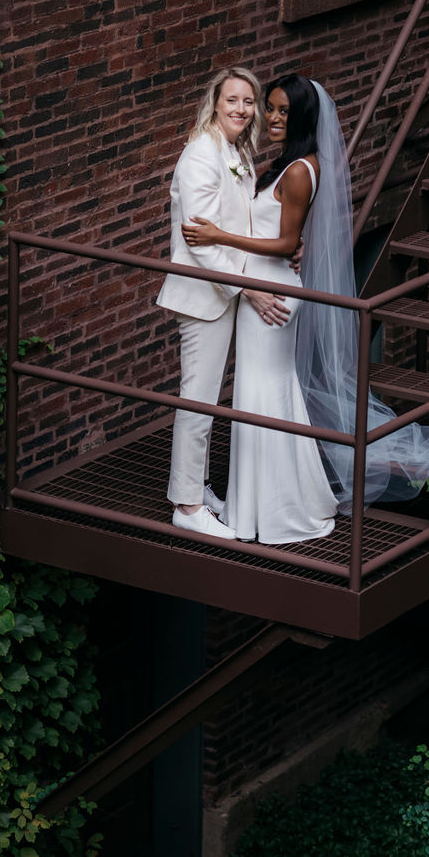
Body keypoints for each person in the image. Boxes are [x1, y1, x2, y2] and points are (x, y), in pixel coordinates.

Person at [183, 76, 429, 544]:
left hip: (272, 291)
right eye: (273, 109)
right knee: (263, 393)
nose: (274, 118)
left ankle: (273, 511)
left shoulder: (301, 170)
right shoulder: (286, 165)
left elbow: (284, 242)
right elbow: (283, 236)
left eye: (284, 111)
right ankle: (266, 502)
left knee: (264, 394)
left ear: (305, 116)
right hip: (263, 282)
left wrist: (219, 237)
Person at [157, 66, 264, 540]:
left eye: (249, 101)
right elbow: (199, 238)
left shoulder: (236, 151)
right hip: (205, 296)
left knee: (210, 402)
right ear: (215, 103)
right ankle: (186, 504)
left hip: (225, 292)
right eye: (233, 100)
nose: (241, 109)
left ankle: (199, 485)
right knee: (196, 403)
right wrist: (248, 285)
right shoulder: (202, 154)